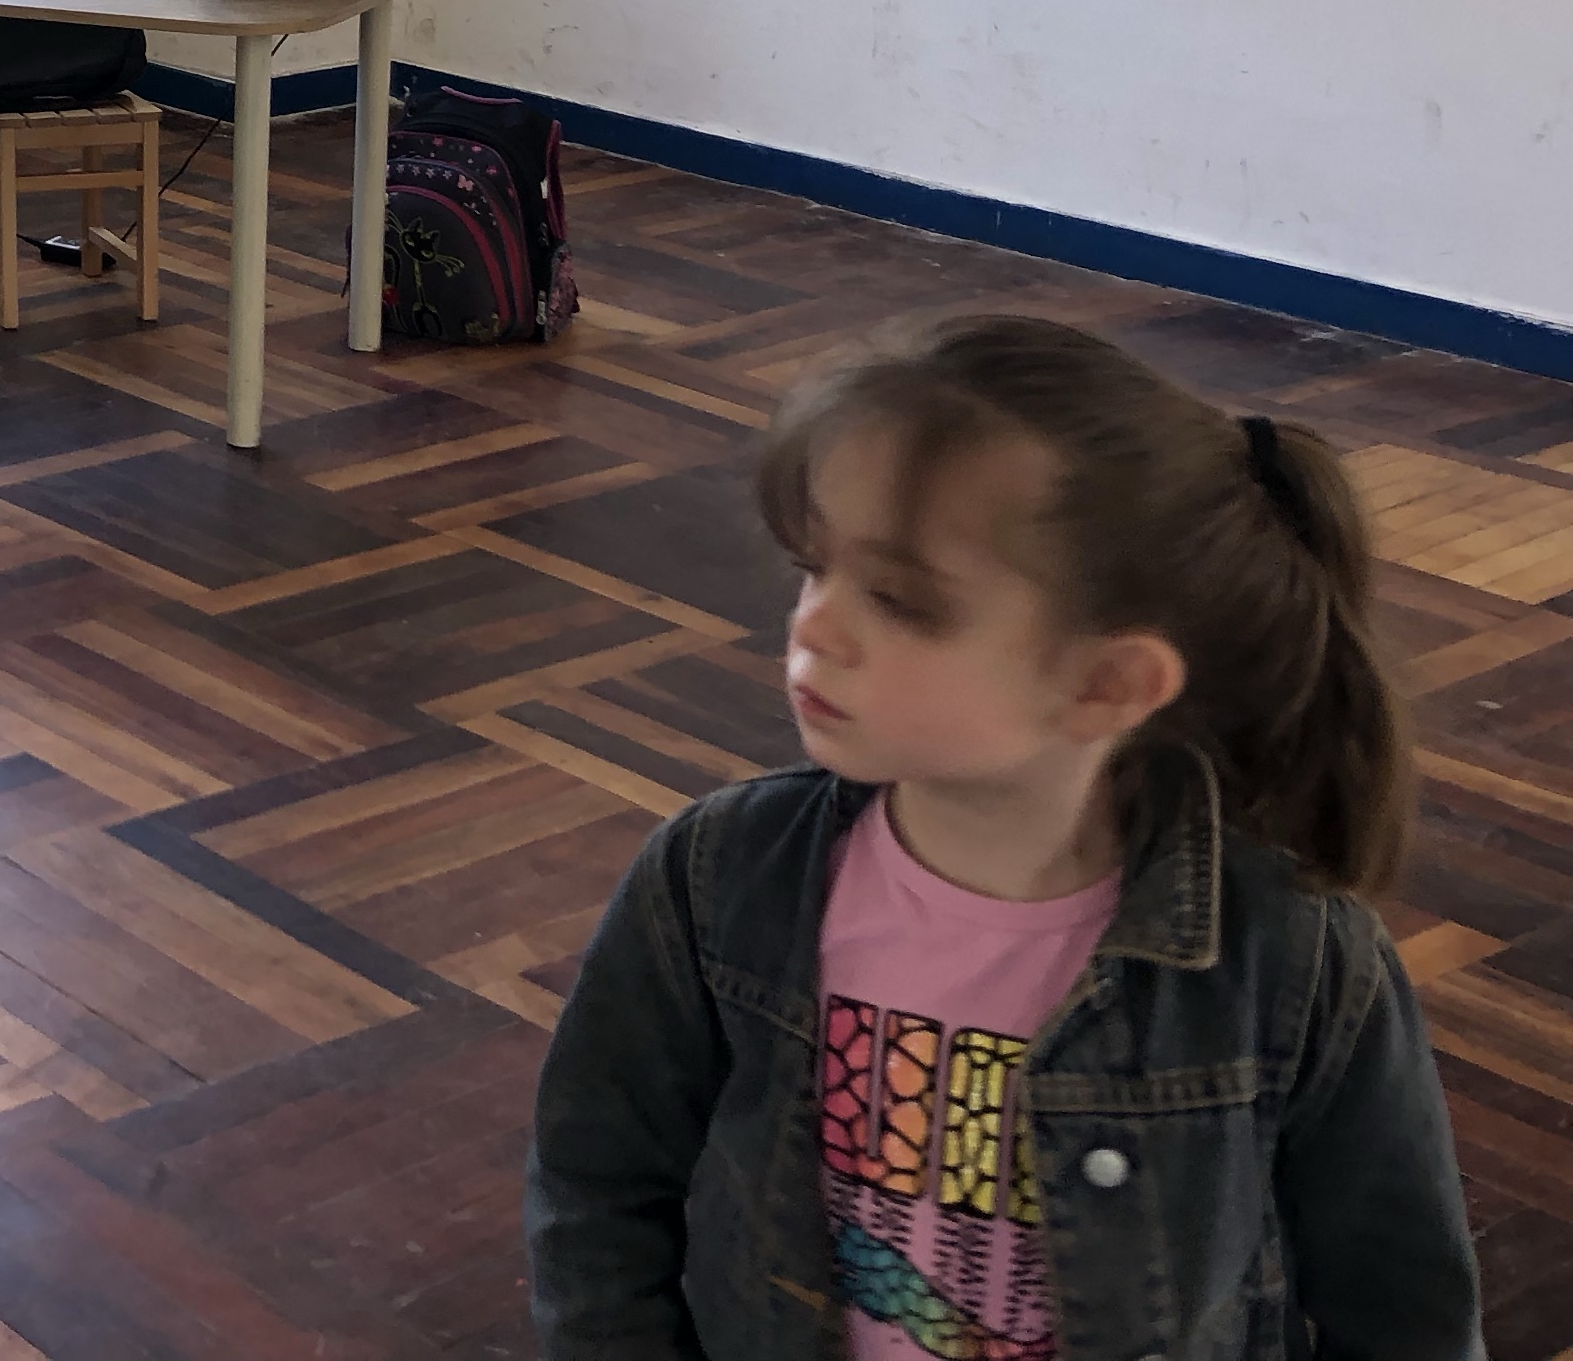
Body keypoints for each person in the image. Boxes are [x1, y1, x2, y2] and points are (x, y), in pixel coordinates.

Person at [529, 314, 1476, 1361]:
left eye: (901, 601)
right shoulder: (715, 878)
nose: (814, 625)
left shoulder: (1290, 961)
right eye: (813, 566)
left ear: (1106, 684)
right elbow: (598, 1184)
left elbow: (1404, 1305)